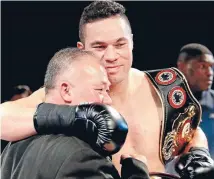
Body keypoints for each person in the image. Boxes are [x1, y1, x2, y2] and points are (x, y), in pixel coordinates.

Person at [1, 1, 214, 178]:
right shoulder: (70, 94)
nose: (111, 56)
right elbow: (4, 117)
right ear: (81, 50)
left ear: (132, 43)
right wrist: (75, 115)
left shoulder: (161, 88)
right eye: (100, 47)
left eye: (120, 44)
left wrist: (198, 153)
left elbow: (191, 130)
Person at [1, 47, 151, 179]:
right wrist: (137, 175)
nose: (108, 100)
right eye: (99, 90)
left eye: (107, 90)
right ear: (66, 91)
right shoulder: (83, 157)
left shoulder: (13, 145)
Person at [176, 43, 214, 159]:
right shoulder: (164, 103)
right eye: (202, 66)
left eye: (211, 67)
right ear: (182, 67)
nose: (210, 73)